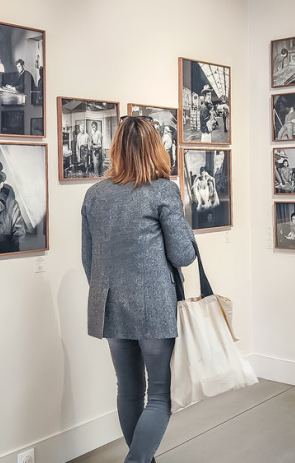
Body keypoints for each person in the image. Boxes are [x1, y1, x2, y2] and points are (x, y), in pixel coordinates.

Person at [81, 115, 196, 463]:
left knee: (129, 391)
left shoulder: (94, 194)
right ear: (156, 149)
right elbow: (183, 255)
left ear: (116, 149)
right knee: (160, 395)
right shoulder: (163, 190)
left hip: (110, 304)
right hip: (154, 307)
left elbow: (90, 260)